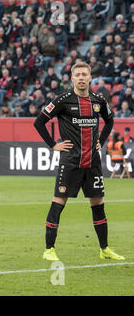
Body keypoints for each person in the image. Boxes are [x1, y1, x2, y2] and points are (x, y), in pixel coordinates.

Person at [33, 61, 125, 261]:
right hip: (70, 162)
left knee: (98, 203)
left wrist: (101, 141)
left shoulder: (99, 100)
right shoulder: (63, 100)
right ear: (72, 78)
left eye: (85, 74)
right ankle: (49, 249)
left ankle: (104, 249)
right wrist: (53, 145)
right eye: (78, 75)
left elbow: (110, 120)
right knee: (59, 201)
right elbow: (39, 122)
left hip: (92, 162)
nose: (81, 78)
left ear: (90, 78)